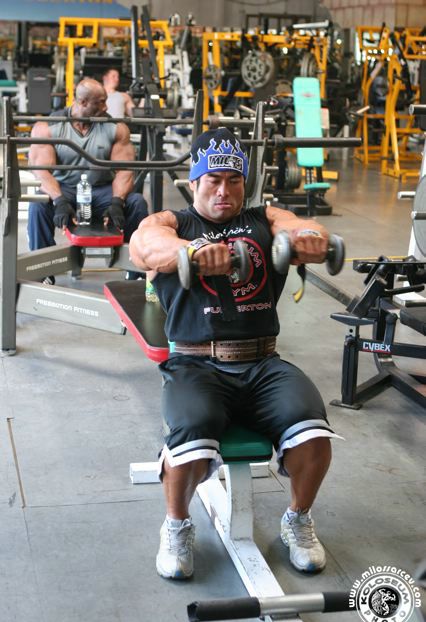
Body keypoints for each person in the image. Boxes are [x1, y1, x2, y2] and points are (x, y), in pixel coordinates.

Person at [129, 127, 343, 580]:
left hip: (263, 363)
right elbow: (143, 245)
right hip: (196, 364)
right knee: (192, 429)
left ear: (245, 182)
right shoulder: (174, 223)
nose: (223, 190)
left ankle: (297, 518)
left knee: (313, 431)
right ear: (195, 182)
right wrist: (192, 252)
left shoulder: (263, 218)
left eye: (233, 180)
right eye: (213, 180)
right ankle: (176, 526)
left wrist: (309, 237)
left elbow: (298, 225)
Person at [28, 78, 148, 282]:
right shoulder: (49, 127)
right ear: (82, 102)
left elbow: (124, 170)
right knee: (38, 206)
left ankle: (135, 272)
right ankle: (43, 272)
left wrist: (117, 202)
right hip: (65, 189)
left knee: (137, 203)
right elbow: (42, 172)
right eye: (100, 103)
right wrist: (59, 201)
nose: (106, 107)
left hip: (102, 190)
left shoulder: (114, 127)